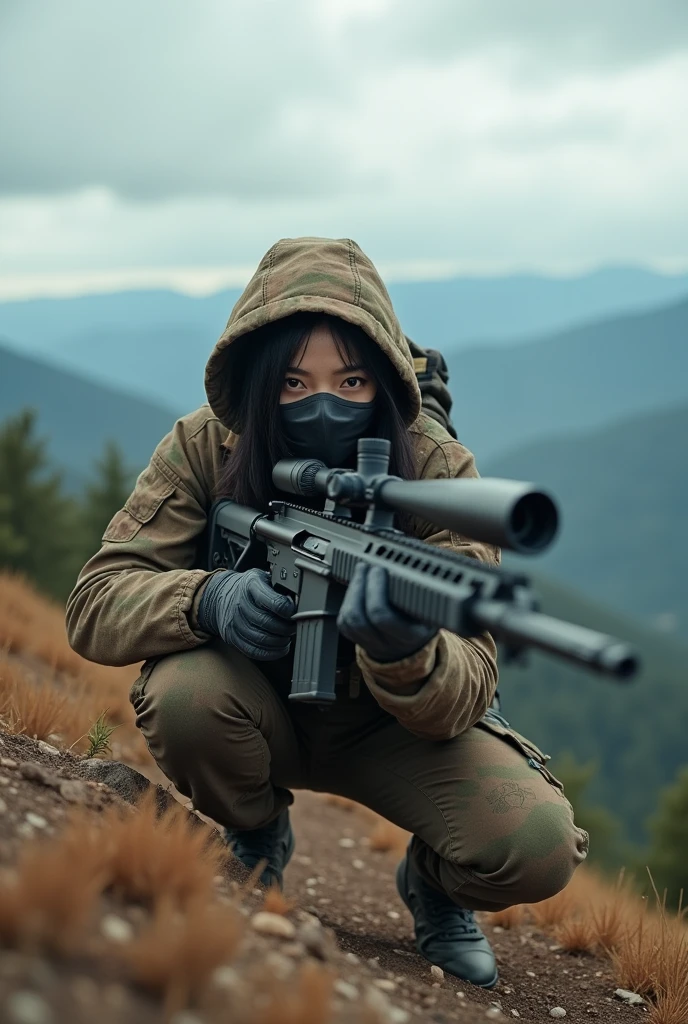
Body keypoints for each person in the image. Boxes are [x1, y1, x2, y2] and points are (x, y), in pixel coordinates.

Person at [66, 236, 588, 989]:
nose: (322, 403)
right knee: (184, 697)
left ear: (382, 379)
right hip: (254, 707)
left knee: (536, 845)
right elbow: (96, 601)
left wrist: (407, 648)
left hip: (392, 729)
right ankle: (255, 830)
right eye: (291, 382)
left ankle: (436, 889)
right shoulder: (206, 446)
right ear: (254, 381)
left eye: (350, 380)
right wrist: (209, 598)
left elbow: (468, 689)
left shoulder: (438, 471)